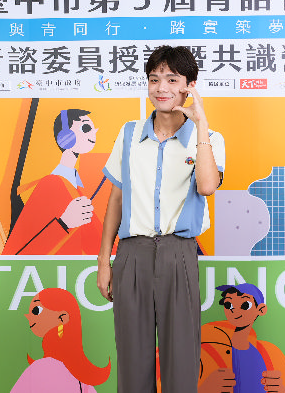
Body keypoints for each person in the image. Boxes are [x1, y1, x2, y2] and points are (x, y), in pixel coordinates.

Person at [96, 45, 225, 393]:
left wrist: (201, 125)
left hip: (178, 253)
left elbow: (208, 186)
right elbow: (116, 199)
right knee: (132, 363)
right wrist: (104, 261)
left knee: (181, 361)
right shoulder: (129, 134)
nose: (161, 88)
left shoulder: (209, 139)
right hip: (132, 254)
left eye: (172, 79)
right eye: (154, 79)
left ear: (189, 86)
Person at [3, 109, 103, 255]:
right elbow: (18, 255)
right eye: (86, 128)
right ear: (66, 136)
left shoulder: (76, 187)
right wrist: (64, 223)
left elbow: (96, 245)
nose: (94, 132)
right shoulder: (50, 184)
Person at [199, 284, 285, 393]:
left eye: (245, 305)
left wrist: (284, 391)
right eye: (228, 304)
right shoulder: (206, 350)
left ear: (261, 310)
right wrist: (204, 389)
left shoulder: (269, 351)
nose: (235, 310)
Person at [11, 288, 111, 392]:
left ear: (62, 318)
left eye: (36, 310)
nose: (28, 316)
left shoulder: (41, 367)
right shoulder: (80, 374)